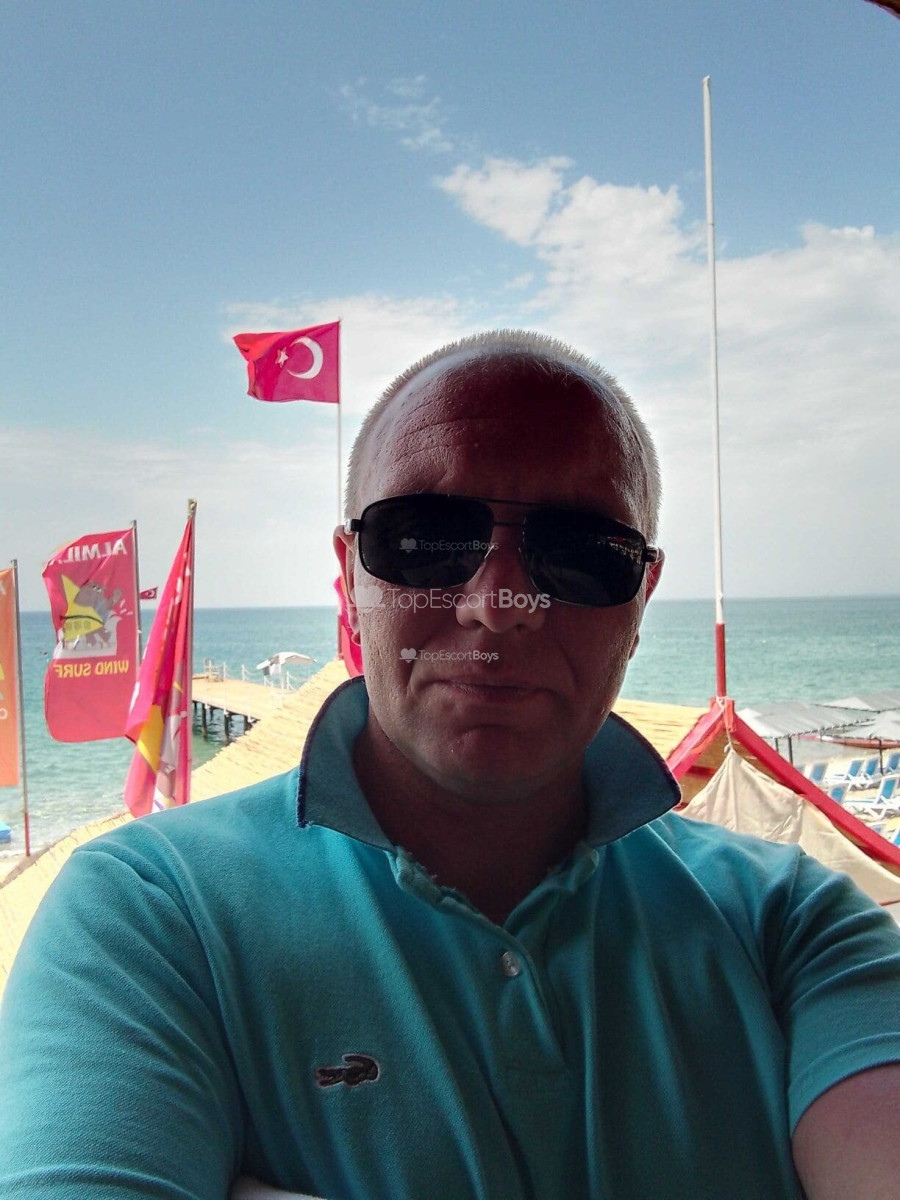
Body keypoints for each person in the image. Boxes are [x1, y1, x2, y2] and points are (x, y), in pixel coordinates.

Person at [1, 331, 900, 1200]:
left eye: (581, 554)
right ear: (350, 579)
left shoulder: (791, 927)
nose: (497, 603)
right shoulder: (150, 917)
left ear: (641, 599)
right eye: (426, 538)